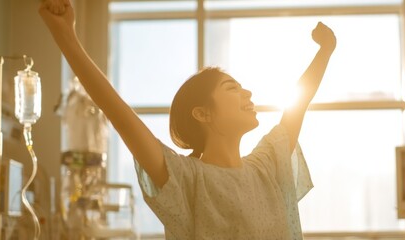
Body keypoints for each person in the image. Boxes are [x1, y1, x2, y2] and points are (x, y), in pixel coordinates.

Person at [40, 0, 336, 239]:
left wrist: (325, 51)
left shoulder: (266, 166)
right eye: (232, 88)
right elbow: (118, 112)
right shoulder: (186, 178)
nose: (247, 92)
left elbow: (298, 104)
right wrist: (67, 38)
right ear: (203, 113)